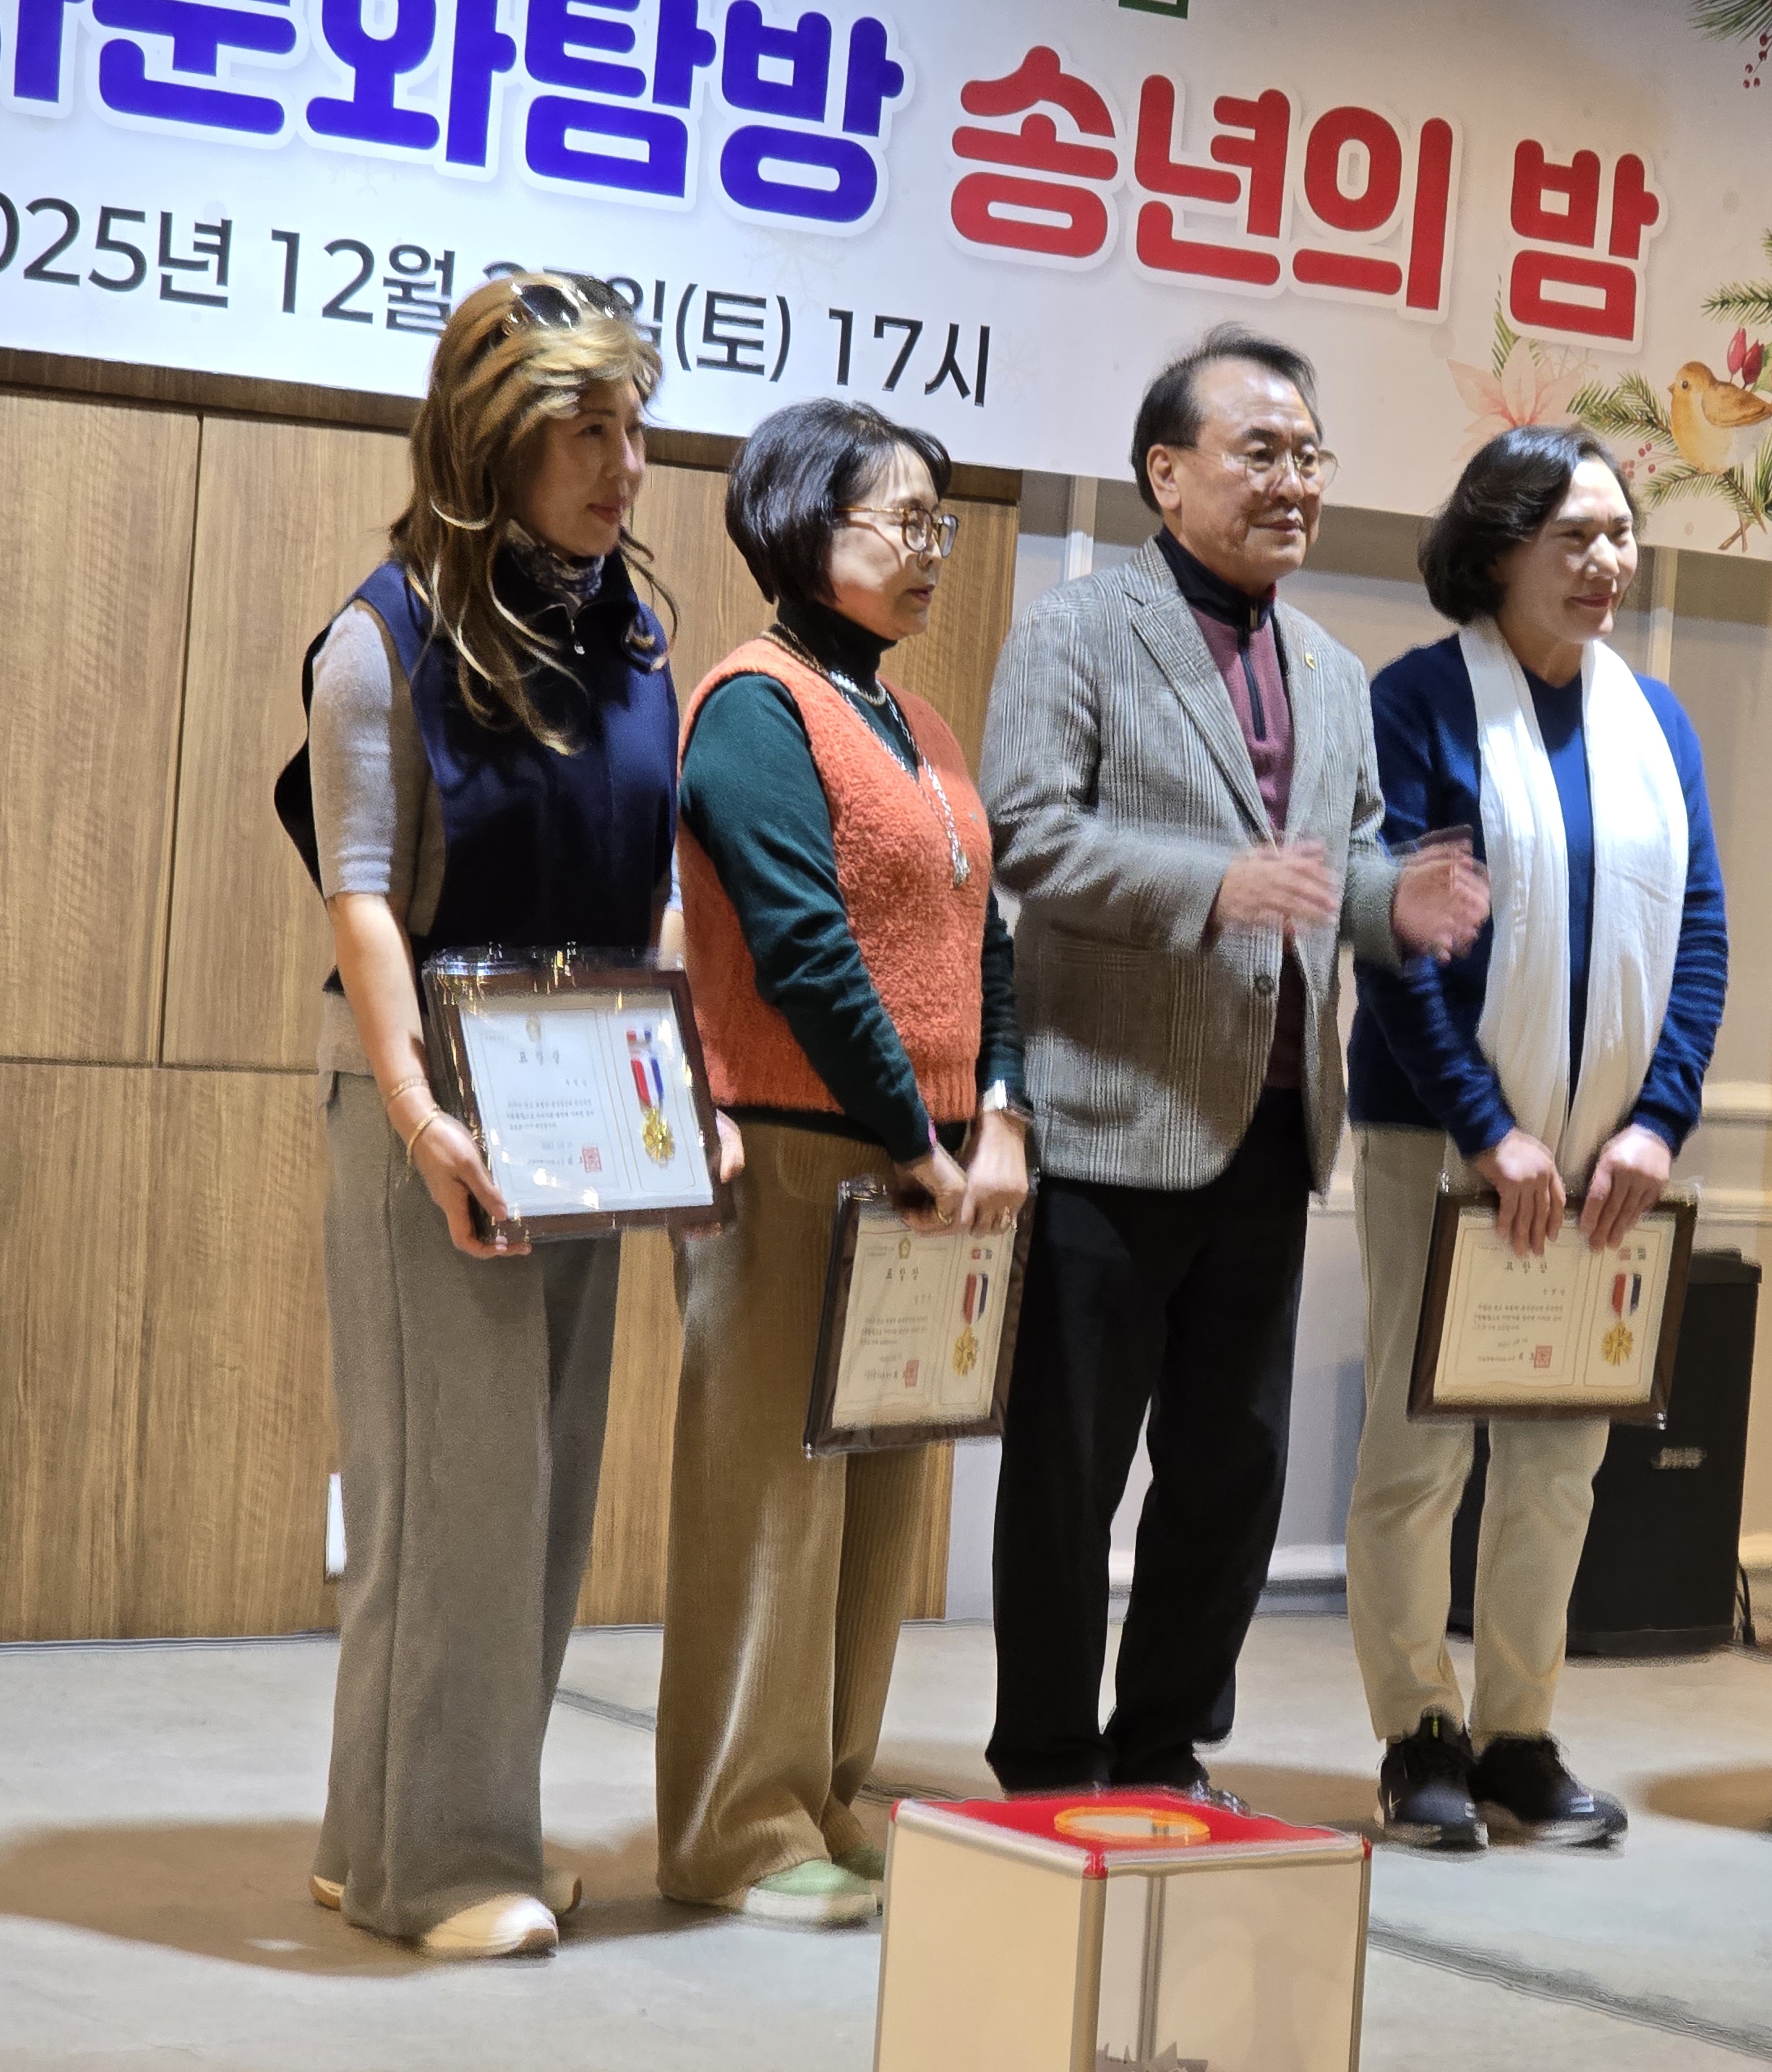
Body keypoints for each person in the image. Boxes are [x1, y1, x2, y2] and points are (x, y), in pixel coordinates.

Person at [977, 326, 1489, 1798]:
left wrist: (1399, 904)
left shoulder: (1331, 670)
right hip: (1110, 1121)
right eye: (1259, 452)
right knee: (1072, 1472)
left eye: (1309, 456)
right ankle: (1047, 1755)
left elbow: (1353, 861)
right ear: (1167, 472)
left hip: (1273, 1132)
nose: (1293, 482)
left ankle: (1163, 1746)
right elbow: (1029, 834)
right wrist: (1215, 885)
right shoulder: (1080, 629)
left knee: (1230, 1472)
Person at [275, 272, 680, 1958]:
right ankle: (439, 1869)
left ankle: (398, 1831)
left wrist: (681, 1098)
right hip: (430, 1098)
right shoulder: (380, 639)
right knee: (451, 1490)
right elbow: (361, 894)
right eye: (585, 431)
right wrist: (418, 1114)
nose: (622, 465)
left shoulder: (628, 634)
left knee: (545, 1491)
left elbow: (652, 887)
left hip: (583, 1097)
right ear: (489, 438)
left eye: (633, 428)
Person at [659, 401, 1028, 1925]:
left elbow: (987, 939)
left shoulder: (917, 722)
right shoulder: (754, 707)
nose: (932, 550)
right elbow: (804, 949)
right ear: (805, 525)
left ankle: (827, 1791)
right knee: (770, 1504)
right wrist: (914, 1135)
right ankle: (734, 1833)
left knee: (879, 1504)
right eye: (904, 520)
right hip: (801, 1152)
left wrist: (998, 1111)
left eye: (944, 523)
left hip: (923, 1165)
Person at [1344, 427, 1727, 1850]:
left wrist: (1659, 1122)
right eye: (1574, 537)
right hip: (1440, 1143)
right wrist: (1490, 1129)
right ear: (1498, 549)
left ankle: (1518, 1733)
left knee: (1560, 1460)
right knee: (1418, 1452)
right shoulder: (1417, 702)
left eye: (1621, 534)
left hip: (1604, 1161)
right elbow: (1399, 944)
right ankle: (1418, 1733)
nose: (1607, 562)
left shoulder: (1657, 722)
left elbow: (1698, 933)